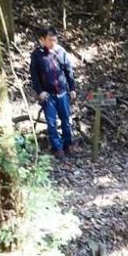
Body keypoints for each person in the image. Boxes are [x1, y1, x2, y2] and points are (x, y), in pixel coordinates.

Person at [29, 26, 76, 159]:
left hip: (62, 92)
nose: (53, 42)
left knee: (66, 120)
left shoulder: (61, 52)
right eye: (50, 40)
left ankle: (68, 144)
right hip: (48, 95)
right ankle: (57, 147)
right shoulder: (37, 54)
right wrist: (40, 91)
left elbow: (68, 71)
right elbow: (34, 76)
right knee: (51, 123)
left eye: (55, 39)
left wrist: (72, 88)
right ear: (42, 40)